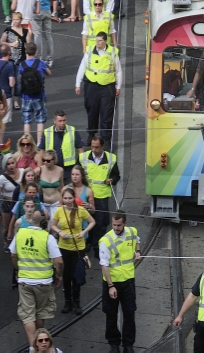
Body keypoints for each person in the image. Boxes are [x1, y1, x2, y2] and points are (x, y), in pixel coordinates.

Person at [10, 208, 63, 349]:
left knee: (27, 315)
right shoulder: (48, 238)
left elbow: (13, 255)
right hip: (44, 282)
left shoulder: (20, 234)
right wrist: (58, 275)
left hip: (25, 281)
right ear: (45, 222)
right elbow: (59, 261)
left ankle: (33, 348)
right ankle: (41, 346)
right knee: (40, 313)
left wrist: (17, 269)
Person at [99, 211, 140, 353]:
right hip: (112, 283)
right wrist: (110, 286)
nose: (116, 228)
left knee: (129, 313)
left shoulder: (132, 232)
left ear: (125, 224)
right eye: (114, 225)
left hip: (128, 281)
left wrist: (138, 251)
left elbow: (137, 240)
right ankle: (114, 344)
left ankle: (128, 344)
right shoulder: (106, 241)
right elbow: (104, 265)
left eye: (118, 225)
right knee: (111, 314)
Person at [51, 186, 92, 315]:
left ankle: (77, 301)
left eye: (69, 198)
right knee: (66, 276)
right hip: (64, 247)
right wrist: (59, 232)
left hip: (78, 248)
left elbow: (92, 222)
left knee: (77, 276)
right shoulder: (59, 211)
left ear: (74, 198)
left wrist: (83, 232)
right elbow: (52, 225)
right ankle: (68, 301)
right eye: (65, 198)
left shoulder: (80, 210)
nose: (67, 200)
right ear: (62, 199)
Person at [75, 31, 122, 144]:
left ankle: (105, 139)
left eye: (100, 40)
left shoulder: (112, 52)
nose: (97, 43)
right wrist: (78, 83)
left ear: (105, 41)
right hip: (91, 86)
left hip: (107, 87)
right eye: (96, 40)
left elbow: (118, 71)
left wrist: (118, 86)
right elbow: (82, 67)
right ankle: (91, 135)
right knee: (92, 111)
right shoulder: (90, 50)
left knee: (106, 113)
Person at [80, 135, 120, 256]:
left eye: (97, 147)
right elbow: (78, 173)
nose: (94, 150)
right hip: (87, 194)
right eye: (92, 147)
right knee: (86, 220)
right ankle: (88, 243)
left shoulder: (111, 158)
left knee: (101, 222)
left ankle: (98, 246)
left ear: (102, 146)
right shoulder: (83, 157)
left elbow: (116, 175)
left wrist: (112, 179)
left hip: (102, 195)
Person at [19, 40, 51, 141]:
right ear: (36, 51)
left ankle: (26, 143)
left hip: (26, 96)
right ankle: (39, 143)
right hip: (39, 95)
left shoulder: (22, 64)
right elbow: (49, 73)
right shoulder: (40, 63)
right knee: (40, 120)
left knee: (27, 121)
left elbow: (20, 79)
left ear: (25, 51)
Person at [39, 110, 83, 182]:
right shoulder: (47, 132)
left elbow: (80, 149)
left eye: (64, 120)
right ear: (54, 121)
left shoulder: (72, 130)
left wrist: (80, 166)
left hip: (69, 170)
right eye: (60, 121)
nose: (62, 123)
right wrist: (41, 168)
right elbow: (41, 152)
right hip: (52, 168)